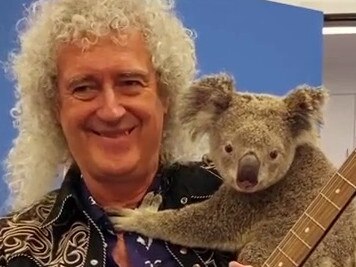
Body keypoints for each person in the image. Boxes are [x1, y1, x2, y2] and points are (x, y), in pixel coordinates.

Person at [0, 0, 251, 266]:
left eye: (130, 83)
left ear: (165, 95)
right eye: (84, 88)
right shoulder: (10, 250)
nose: (111, 111)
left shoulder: (247, 195)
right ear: (56, 108)